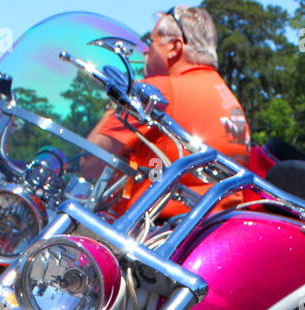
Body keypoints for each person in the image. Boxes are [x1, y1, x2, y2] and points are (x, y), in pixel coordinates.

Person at [81, 6, 250, 215]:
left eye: (151, 42)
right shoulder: (228, 99)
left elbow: (90, 162)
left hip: (153, 233)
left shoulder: (160, 90)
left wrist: (119, 100)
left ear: (174, 47)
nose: (145, 51)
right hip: (210, 229)